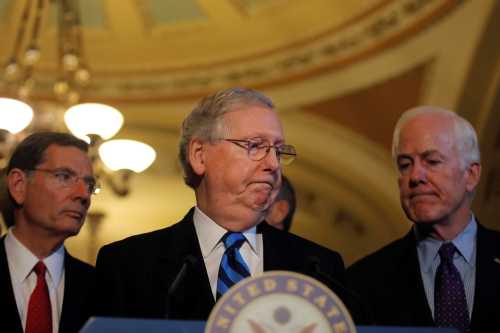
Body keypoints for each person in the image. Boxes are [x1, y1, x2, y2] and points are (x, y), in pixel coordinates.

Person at [94, 87, 365, 322]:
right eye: (256, 146)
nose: (272, 164)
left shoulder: (318, 268)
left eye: (278, 150)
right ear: (200, 156)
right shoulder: (128, 266)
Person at [346, 106, 500, 333]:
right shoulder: (361, 281)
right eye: (405, 165)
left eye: (432, 161)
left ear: (471, 175)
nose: (415, 176)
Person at [1, 132, 97, 333]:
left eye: (90, 184)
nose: (83, 195)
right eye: (64, 176)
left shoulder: (102, 286)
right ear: (19, 185)